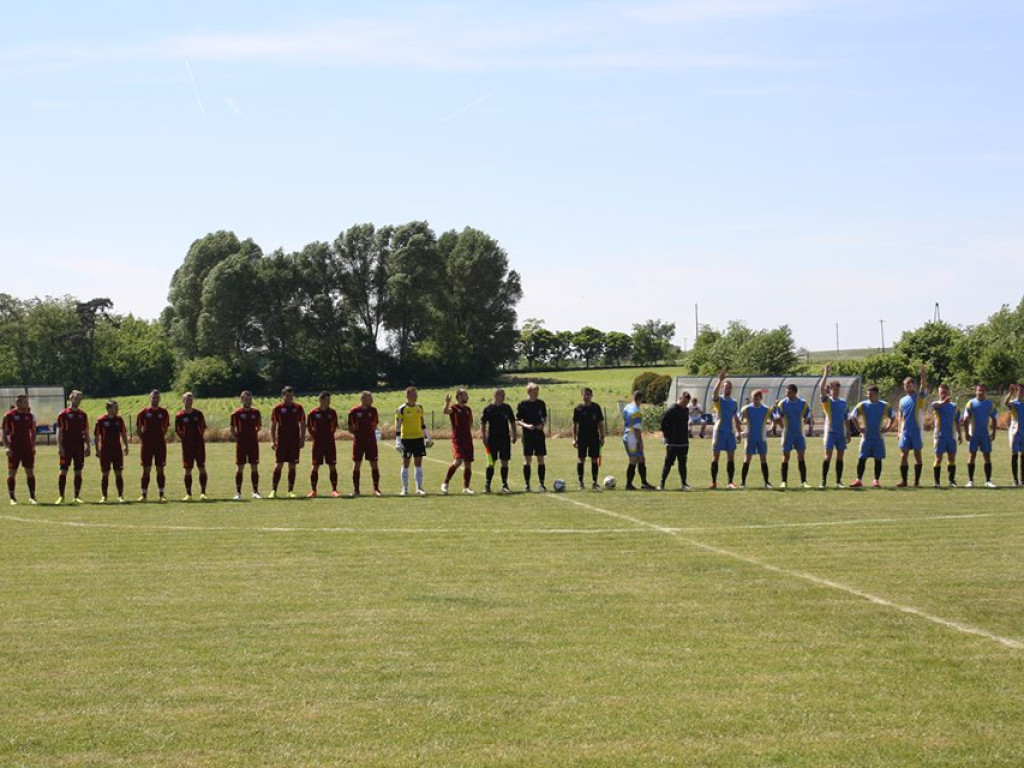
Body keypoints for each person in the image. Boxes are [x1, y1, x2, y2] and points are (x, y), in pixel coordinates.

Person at [849, 385, 894, 487]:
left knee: (878, 459)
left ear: (877, 394)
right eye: (868, 394)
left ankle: (876, 480)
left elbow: (893, 416)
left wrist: (887, 428)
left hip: (879, 437)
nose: (869, 396)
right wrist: (859, 428)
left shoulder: (885, 406)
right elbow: (852, 416)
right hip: (866, 437)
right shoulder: (862, 405)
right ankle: (858, 480)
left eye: (871, 394)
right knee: (862, 458)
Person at [270, 385, 306, 499]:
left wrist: (302, 439)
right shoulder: (277, 409)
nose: (290, 398)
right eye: (287, 395)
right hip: (281, 441)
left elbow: (303, 424)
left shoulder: (299, 408)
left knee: (292, 466)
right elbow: (273, 425)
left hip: (294, 441)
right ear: (282, 395)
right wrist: (272, 440)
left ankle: (290, 491)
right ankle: (273, 491)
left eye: (291, 396)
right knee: (278, 465)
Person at [55, 389, 90, 504]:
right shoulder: (63, 414)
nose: (78, 400)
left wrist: (88, 446)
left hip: (79, 445)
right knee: (63, 470)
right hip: (66, 445)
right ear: (70, 398)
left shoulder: (83, 415)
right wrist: (60, 447)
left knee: (78, 471)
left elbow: (86, 431)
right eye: (76, 397)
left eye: (80, 398)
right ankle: (61, 496)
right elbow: (59, 432)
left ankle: (76, 495)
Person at [896, 365, 929, 487]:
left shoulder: (919, 397)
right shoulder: (902, 400)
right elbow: (900, 416)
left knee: (917, 455)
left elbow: (924, 387)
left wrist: (923, 376)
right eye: (906, 385)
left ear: (914, 386)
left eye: (910, 385)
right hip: (905, 432)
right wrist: (899, 432)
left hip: (917, 431)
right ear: (904, 387)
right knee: (903, 455)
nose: (908, 387)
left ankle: (916, 481)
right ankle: (904, 481)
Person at [774, 383, 811, 488]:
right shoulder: (782, 404)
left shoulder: (803, 403)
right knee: (786, 457)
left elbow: (806, 416)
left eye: (788, 391)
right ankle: (784, 482)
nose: (786, 393)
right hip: (787, 434)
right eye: (785, 391)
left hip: (799, 434)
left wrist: (804, 422)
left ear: (794, 392)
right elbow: (778, 418)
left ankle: (804, 482)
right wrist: (782, 428)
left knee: (801, 457)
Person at [710, 369, 742, 489]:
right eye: (725, 387)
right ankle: (713, 482)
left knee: (731, 457)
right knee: (716, 457)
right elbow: (714, 394)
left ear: (731, 389)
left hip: (730, 432)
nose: (727, 389)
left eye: (729, 387)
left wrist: (739, 432)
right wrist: (720, 380)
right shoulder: (719, 400)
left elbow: (736, 418)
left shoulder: (734, 402)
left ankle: (730, 482)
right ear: (723, 388)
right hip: (719, 431)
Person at [136, 389, 170, 502]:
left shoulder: (164, 413)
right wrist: (145, 439)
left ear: (159, 398)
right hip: (147, 445)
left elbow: (165, 429)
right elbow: (138, 429)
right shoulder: (143, 413)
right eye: (153, 397)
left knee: (160, 469)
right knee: (146, 470)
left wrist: (158, 438)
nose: (155, 399)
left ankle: (161, 495)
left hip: (160, 445)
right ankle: (143, 495)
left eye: (157, 397)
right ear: (149, 398)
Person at [480, 388, 517, 494]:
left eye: (503, 395)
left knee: (505, 461)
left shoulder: (507, 408)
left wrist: (514, 434)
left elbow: (512, 421)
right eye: (500, 394)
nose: (502, 396)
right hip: (492, 439)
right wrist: (484, 436)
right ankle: (487, 485)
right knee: (491, 462)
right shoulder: (488, 408)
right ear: (495, 396)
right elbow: (483, 423)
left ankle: (505, 484)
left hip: (505, 438)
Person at [818, 365, 850, 488]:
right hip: (830, 432)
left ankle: (838, 481)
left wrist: (847, 432)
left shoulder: (843, 403)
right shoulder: (827, 402)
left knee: (840, 456)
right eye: (833, 389)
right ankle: (823, 481)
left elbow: (846, 417)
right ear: (830, 390)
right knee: (828, 456)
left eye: (837, 389)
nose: (836, 391)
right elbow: (821, 387)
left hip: (840, 433)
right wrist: (825, 373)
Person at [962, 383, 998, 488]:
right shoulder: (970, 403)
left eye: (982, 390)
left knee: (987, 456)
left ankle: (988, 481)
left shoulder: (989, 404)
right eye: (979, 390)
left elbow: (994, 418)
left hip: (985, 434)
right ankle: (970, 481)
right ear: (976, 391)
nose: (980, 392)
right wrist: (966, 433)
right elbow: (965, 418)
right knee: (972, 456)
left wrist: (994, 432)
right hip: (974, 434)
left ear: (985, 392)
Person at [3, 394, 37, 505]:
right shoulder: (9, 415)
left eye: (27, 402)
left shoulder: (30, 416)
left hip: (27, 448)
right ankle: (12, 498)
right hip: (14, 448)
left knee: (30, 472)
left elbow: (33, 432)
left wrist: (32, 446)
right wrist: (7, 447)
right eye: (25, 402)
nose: (27, 404)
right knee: (12, 472)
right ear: (18, 403)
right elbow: (4, 433)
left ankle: (32, 497)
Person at [396, 386, 430, 496]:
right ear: (407, 396)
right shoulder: (401, 409)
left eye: (416, 395)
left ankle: (419, 488)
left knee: (418, 463)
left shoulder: (419, 407)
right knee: (405, 463)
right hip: (406, 439)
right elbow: (397, 426)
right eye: (413, 395)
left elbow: (422, 424)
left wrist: (427, 437)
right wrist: (397, 441)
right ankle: (404, 489)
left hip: (418, 438)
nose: (415, 397)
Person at [93, 399, 129, 503]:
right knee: (105, 473)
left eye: (117, 407)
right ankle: (104, 496)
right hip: (105, 450)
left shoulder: (119, 420)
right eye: (115, 407)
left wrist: (126, 446)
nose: (117, 409)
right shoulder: (101, 420)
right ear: (109, 408)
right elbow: (96, 436)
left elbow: (123, 433)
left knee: (119, 473)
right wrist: (97, 449)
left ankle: (120, 495)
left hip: (117, 450)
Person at [347, 391, 381, 497]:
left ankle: (376, 489)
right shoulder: (353, 411)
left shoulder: (374, 411)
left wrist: (368, 433)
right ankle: (356, 490)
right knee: (356, 464)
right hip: (359, 441)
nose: (372, 400)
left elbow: (374, 425)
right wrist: (359, 434)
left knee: (374, 464)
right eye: (369, 398)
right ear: (362, 399)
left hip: (371, 440)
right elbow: (350, 427)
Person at [175, 392, 208, 501]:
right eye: (187, 399)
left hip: (199, 445)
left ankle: (203, 493)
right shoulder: (179, 415)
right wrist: (185, 438)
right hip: (187, 446)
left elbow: (203, 427)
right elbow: (177, 430)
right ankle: (188, 494)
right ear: (183, 401)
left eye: (191, 399)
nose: (189, 401)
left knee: (201, 468)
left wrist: (197, 437)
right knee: (188, 469)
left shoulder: (198, 414)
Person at [230, 390, 262, 500]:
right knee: (240, 468)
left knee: (254, 467)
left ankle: (256, 492)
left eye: (250, 399)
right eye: (246, 399)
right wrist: (238, 439)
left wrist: (252, 435)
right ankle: (238, 493)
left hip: (253, 443)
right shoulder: (236, 413)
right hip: (241, 444)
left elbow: (258, 427)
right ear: (242, 400)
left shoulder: (256, 413)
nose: (248, 401)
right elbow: (232, 429)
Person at [442, 388, 475, 495]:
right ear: (459, 397)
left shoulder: (468, 409)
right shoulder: (454, 408)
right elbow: (445, 411)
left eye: (467, 395)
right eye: (465, 395)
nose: (467, 397)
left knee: (468, 463)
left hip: (468, 439)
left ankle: (466, 487)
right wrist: (447, 402)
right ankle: (445, 483)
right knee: (458, 461)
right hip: (458, 439)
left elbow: (470, 423)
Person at [307, 391, 339, 498]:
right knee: (315, 466)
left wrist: (328, 435)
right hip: (318, 443)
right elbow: (309, 427)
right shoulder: (313, 413)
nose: (329, 402)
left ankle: (334, 490)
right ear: (321, 400)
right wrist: (316, 437)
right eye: (327, 400)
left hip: (330, 442)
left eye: (329, 400)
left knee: (332, 466)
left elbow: (334, 427)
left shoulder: (332, 413)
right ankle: (313, 491)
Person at [516, 382, 548, 492]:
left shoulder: (541, 403)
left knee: (541, 459)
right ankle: (527, 484)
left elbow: (544, 417)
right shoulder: (522, 404)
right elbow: (517, 420)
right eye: (535, 391)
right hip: (527, 435)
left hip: (539, 435)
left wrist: (542, 425)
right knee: (527, 460)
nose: (537, 393)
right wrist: (526, 425)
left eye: (538, 391)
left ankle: (541, 484)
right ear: (529, 392)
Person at [572, 387, 605, 490]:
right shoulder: (578, 408)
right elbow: (574, 425)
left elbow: (600, 423)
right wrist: (574, 438)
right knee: (581, 459)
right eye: (584, 394)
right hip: (582, 437)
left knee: (594, 459)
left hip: (594, 436)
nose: (586, 396)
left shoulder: (596, 407)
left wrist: (602, 436)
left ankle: (595, 482)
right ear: (581, 396)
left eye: (588, 394)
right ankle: (580, 483)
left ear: (591, 395)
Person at [622, 389, 655, 490]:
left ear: (633, 397)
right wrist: (640, 442)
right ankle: (628, 484)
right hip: (632, 436)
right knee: (633, 460)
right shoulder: (636, 412)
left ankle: (644, 483)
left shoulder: (627, 407)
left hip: (627, 433)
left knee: (641, 459)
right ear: (640, 399)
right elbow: (636, 429)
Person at [931, 383, 962, 488]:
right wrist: (944, 402)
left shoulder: (954, 407)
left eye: (945, 392)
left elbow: (957, 421)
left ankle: (952, 481)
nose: (943, 394)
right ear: (939, 393)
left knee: (952, 458)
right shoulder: (936, 404)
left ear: (949, 393)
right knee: (938, 458)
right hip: (939, 436)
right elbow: (936, 406)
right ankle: (937, 482)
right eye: (941, 393)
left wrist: (960, 435)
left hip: (951, 436)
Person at [740, 389, 772, 489]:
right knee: (747, 459)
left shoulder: (766, 409)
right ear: (751, 398)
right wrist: (741, 431)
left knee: (763, 459)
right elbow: (738, 420)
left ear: (761, 398)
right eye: (754, 397)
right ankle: (743, 483)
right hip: (750, 438)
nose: (755, 399)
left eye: (757, 397)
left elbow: (774, 419)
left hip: (761, 438)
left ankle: (767, 482)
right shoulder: (746, 409)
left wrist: (770, 429)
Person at [659, 391, 691, 490]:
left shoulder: (686, 410)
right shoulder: (672, 409)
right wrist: (666, 436)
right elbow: (663, 424)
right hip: (673, 442)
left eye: (687, 403)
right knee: (668, 463)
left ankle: (684, 483)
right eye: (684, 402)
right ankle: (662, 483)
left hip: (684, 442)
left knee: (683, 464)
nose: (685, 404)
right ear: (680, 399)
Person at [1004, 383, 1024, 487]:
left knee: (1023, 456)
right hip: (1015, 432)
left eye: (1022, 390)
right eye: (1019, 390)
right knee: (1014, 455)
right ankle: (1015, 479)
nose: (1021, 392)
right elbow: (1006, 402)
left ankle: (1022, 479)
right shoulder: (1014, 403)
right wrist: (1010, 393)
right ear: (1017, 392)